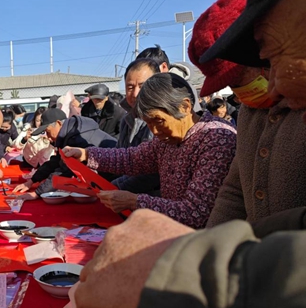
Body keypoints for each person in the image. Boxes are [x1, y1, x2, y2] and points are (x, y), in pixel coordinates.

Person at [76, 0, 306, 308]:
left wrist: (178, 260)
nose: (272, 82)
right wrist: (91, 157)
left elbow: (199, 211)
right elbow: (231, 199)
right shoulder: (247, 117)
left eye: (271, 57)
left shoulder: (215, 137)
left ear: (184, 106)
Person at [187, 0, 306, 227]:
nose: (273, 88)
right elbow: (234, 191)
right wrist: (209, 248)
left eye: (237, 80)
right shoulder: (251, 114)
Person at [64, 73, 237, 228]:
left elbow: (195, 213)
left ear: (185, 106)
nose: (154, 131)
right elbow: (132, 158)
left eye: (159, 121)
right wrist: (87, 154)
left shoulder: (216, 139)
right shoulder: (168, 139)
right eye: (148, 123)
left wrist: (134, 201)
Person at [12, 108, 116, 198]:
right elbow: (55, 161)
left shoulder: (77, 137)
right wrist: (32, 181)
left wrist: (37, 193)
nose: (48, 137)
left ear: (58, 123)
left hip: (116, 178)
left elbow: (63, 171)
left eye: (48, 132)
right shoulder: (70, 133)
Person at [112, 58, 161, 195]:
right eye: (130, 87)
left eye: (142, 86)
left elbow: (152, 171)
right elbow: (120, 159)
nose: (135, 94)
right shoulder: (126, 120)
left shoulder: (162, 121)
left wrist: (115, 188)